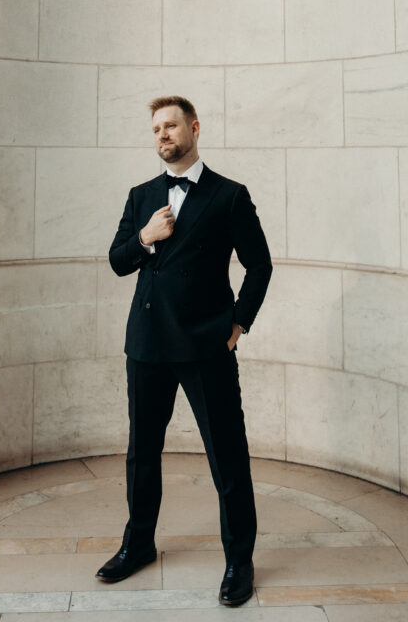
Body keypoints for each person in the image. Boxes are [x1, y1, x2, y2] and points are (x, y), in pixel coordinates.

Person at [96, 95, 273, 607]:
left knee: (227, 455)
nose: (162, 135)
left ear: (194, 128)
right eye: (155, 129)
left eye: (170, 126)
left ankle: (240, 559)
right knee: (142, 454)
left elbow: (259, 265)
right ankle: (138, 544)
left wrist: (240, 320)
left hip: (205, 344)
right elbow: (117, 261)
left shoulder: (229, 195)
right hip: (147, 344)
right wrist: (146, 238)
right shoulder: (140, 195)